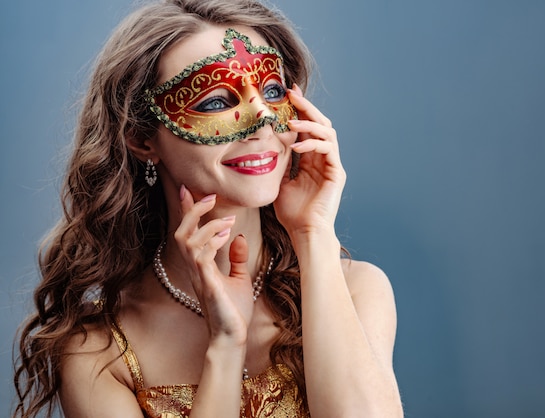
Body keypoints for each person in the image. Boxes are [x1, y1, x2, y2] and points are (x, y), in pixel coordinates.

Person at [13, 0, 403, 416]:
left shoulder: (358, 290)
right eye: (216, 101)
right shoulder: (98, 351)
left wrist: (312, 233)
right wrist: (225, 344)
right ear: (143, 139)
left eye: (272, 91)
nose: (262, 120)